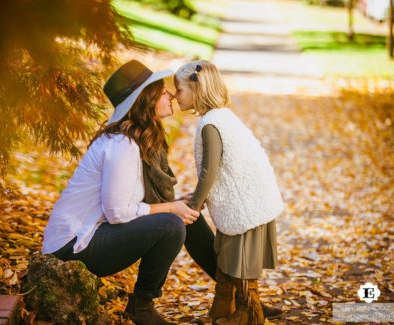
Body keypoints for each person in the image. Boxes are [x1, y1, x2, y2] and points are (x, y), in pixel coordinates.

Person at [41, 60, 201, 325]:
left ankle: (229, 288)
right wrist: (170, 208)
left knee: (184, 217)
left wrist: (175, 203)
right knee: (172, 224)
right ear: (146, 100)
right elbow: (117, 213)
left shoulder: (131, 139)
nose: (171, 94)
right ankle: (142, 306)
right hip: (71, 247)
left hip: (88, 236)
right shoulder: (122, 144)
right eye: (163, 91)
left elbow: (126, 205)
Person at [174, 60, 285, 325]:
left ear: (196, 88)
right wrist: (198, 198)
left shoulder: (211, 125)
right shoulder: (218, 118)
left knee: (240, 266)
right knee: (226, 262)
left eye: (179, 90)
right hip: (245, 202)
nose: (176, 95)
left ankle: (250, 313)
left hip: (245, 206)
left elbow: (209, 171)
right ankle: (221, 310)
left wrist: (195, 205)